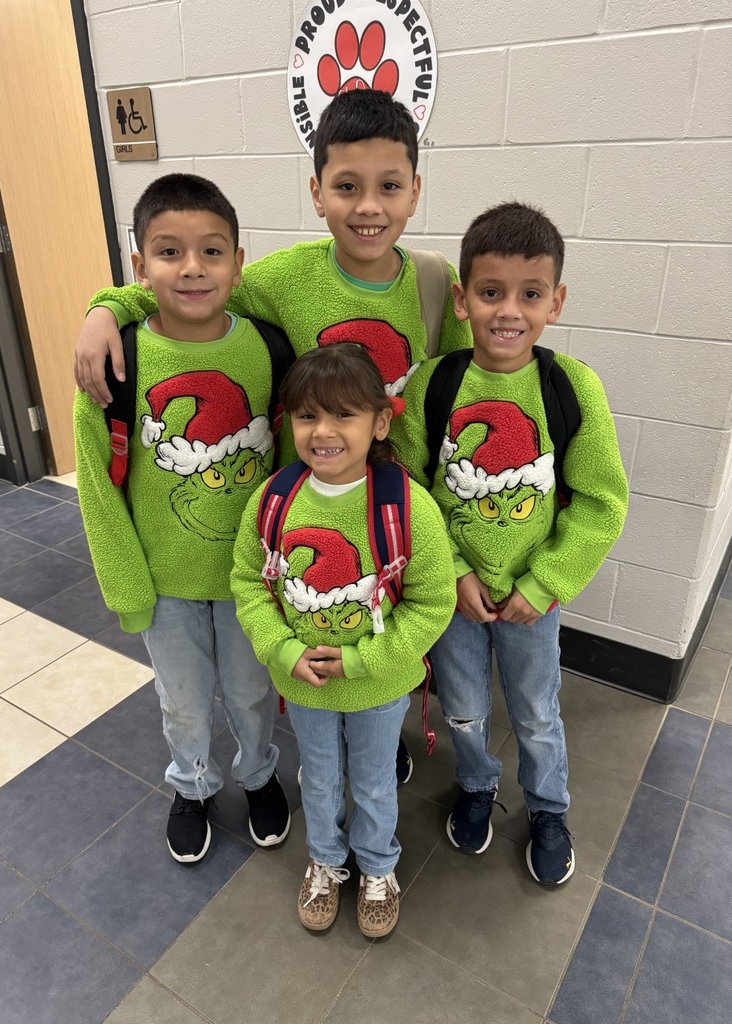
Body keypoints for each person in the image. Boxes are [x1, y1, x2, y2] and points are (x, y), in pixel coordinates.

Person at [73, 87, 472, 784]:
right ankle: (235, 772)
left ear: (414, 192)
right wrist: (107, 307)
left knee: (388, 631)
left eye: (388, 186)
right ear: (317, 193)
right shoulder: (284, 280)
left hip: (395, 515)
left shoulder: (437, 285)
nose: (368, 207)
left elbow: (457, 400)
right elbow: (193, 289)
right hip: (304, 510)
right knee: (309, 636)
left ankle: (379, 724)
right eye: (347, 186)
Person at [393, 202, 629, 885]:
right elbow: (409, 488)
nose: (509, 311)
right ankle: (475, 786)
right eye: (491, 293)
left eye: (530, 295)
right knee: (463, 707)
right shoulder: (436, 384)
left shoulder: (571, 388)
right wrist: (456, 569)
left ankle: (549, 807)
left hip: (533, 600)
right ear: (462, 299)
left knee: (536, 712)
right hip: (455, 597)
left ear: (555, 302)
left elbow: (601, 501)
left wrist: (546, 581)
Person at [74, 173, 290, 865]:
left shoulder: (269, 347)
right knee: (183, 702)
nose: (192, 268)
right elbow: (98, 492)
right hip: (164, 581)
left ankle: (258, 775)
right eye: (169, 252)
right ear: (140, 266)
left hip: (251, 580)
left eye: (212, 251)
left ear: (239, 260)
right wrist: (127, 588)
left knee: (253, 695)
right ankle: (193, 784)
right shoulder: (117, 359)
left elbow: (292, 471)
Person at [231, 344, 456, 937]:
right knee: (321, 776)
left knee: (377, 779)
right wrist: (283, 650)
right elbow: (248, 581)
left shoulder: (407, 507)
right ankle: (326, 861)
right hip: (303, 684)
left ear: (380, 423)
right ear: (290, 423)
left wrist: (364, 660)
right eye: (307, 416)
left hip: (378, 686)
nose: (323, 432)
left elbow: (433, 602)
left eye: (343, 416)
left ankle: (378, 867)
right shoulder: (274, 501)